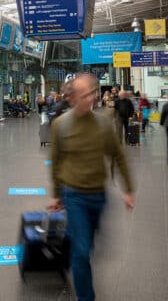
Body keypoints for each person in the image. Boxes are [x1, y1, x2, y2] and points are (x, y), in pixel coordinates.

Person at [49, 74, 135, 301]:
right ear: (73, 98)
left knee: (86, 242)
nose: (91, 98)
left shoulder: (104, 123)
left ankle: (71, 243)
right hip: (73, 194)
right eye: (85, 94)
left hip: (98, 194)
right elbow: (55, 162)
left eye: (92, 93)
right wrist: (57, 195)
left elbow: (118, 155)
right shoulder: (60, 125)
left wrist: (128, 189)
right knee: (82, 250)